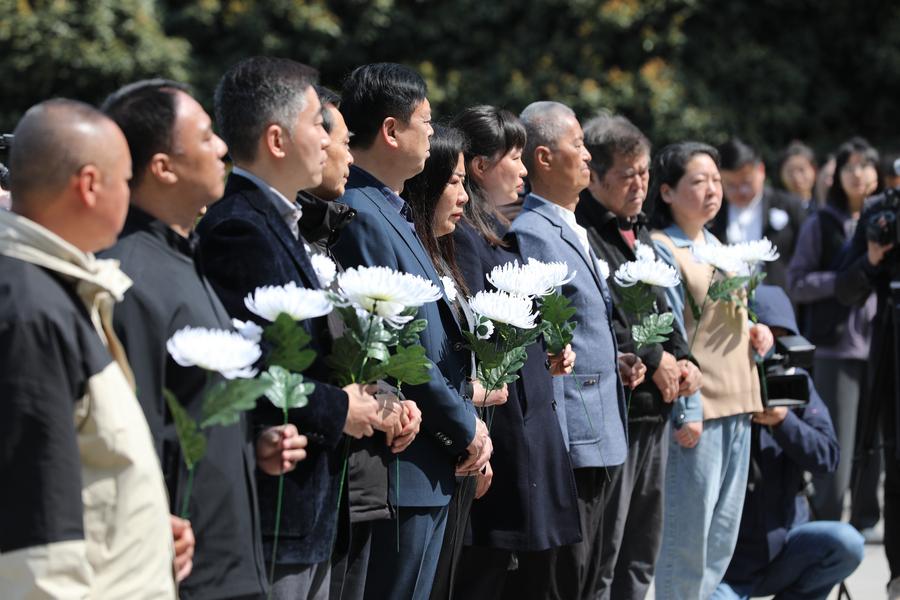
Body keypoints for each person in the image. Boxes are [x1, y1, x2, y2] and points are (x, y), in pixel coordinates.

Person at [100, 79, 312, 599]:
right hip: (179, 571)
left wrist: (250, 447)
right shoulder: (128, 277)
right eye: (204, 137)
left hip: (228, 559)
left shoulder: (183, 257)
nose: (222, 147)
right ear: (162, 167)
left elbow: (187, 410)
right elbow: (128, 434)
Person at [196, 56, 391, 600]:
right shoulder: (240, 229)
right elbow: (247, 366)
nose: (328, 140)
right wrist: (339, 408)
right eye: (316, 124)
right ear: (277, 140)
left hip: (306, 506)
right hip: (277, 505)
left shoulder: (276, 222)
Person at [0, 99, 176, 598]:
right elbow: (35, 547)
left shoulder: (52, 290)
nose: (131, 195)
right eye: (126, 180)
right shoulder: (30, 310)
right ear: (90, 185)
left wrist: (143, 531)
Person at [333, 63, 492, 600]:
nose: (431, 133)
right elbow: (401, 348)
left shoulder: (391, 211)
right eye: (423, 121)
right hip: (404, 462)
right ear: (390, 130)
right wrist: (464, 427)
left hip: (427, 464)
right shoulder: (361, 212)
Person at [510, 100, 646, 600]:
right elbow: (544, 345)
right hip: (576, 441)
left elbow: (578, 329)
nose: (588, 156)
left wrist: (615, 360)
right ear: (544, 158)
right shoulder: (532, 232)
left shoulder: (571, 226)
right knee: (571, 579)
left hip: (603, 426)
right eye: (578, 145)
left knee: (596, 576)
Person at [449, 105, 581, 600]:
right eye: (515, 158)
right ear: (480, 165)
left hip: (530, 423)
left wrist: (546, 350)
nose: (524, 171)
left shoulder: (496, 231)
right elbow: (479, 339)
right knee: (491, 576)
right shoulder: (464, 237)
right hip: (504, 428)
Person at [575, 113, 702, 600]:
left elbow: (662, 308)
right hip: (618, 410)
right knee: (606, 549)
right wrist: (652, 356)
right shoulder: (585, 232)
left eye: (645, 172)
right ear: (595, 176)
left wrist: (683, 359)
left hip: (657, 408)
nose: (640, 184)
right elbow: (601, 316)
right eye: (628, 174)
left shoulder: (641, 230)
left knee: (643, 545)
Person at [650, 141, 773, 599]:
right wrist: (688, 408)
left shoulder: (720, 247)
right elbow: (671, 335)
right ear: (666, 191)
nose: (713, 190)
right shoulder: (663, 248)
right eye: (698, 181)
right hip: (700, 412)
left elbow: (730, 318)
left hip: (740, 404)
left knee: (719, 545)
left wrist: (757, 330)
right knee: (687, 545)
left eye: (716, 180)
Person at [713, 285, 864, 600]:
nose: (771, 351)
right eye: (765, 338)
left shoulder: (795, 383)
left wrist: (784, 422)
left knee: (847, 543)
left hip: (785, 546)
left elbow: (828, 457)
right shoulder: (721, 385)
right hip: (729, 564)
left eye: (782, 339)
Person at [787, 137, 881, 539]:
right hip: (835, 348)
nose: (858, 173)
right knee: (836, 441)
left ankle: (864, 521)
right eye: (850, 166)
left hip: (881, 345)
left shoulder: (886, 220)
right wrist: (841, 281)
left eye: (865, 165)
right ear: (837, 175)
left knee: (874, 443)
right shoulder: (821, 223)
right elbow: (797, 282)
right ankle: (825, 524)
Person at [834, 179, 900, 598]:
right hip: (891, 349)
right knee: (896, 468)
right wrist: (873, 257)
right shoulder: (881, 213)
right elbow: (845, 289)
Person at [710, 137, 807, 290]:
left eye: (746, 182)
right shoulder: (712, 213)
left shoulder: (789, 206)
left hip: (780, 297)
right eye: (731, 185)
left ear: (761, 171)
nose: (741, 191)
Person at [778, 140, 818, 212]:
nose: (796, 177)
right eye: (790, 171)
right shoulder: (777, 209)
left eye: (801, 170)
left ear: (814, 171)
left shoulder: (822, 207)